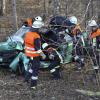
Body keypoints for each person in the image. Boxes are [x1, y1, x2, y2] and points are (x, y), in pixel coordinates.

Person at [24, 16, 45, 89]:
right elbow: (37, 48)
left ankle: (26, 79)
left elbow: (26, 43)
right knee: (35, 70)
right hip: (35, 55)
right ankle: (33, 85)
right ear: (37, 28)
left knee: (32, 67)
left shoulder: (28, 33)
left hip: (28, 54)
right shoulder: (36, 36)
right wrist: (43, 55)